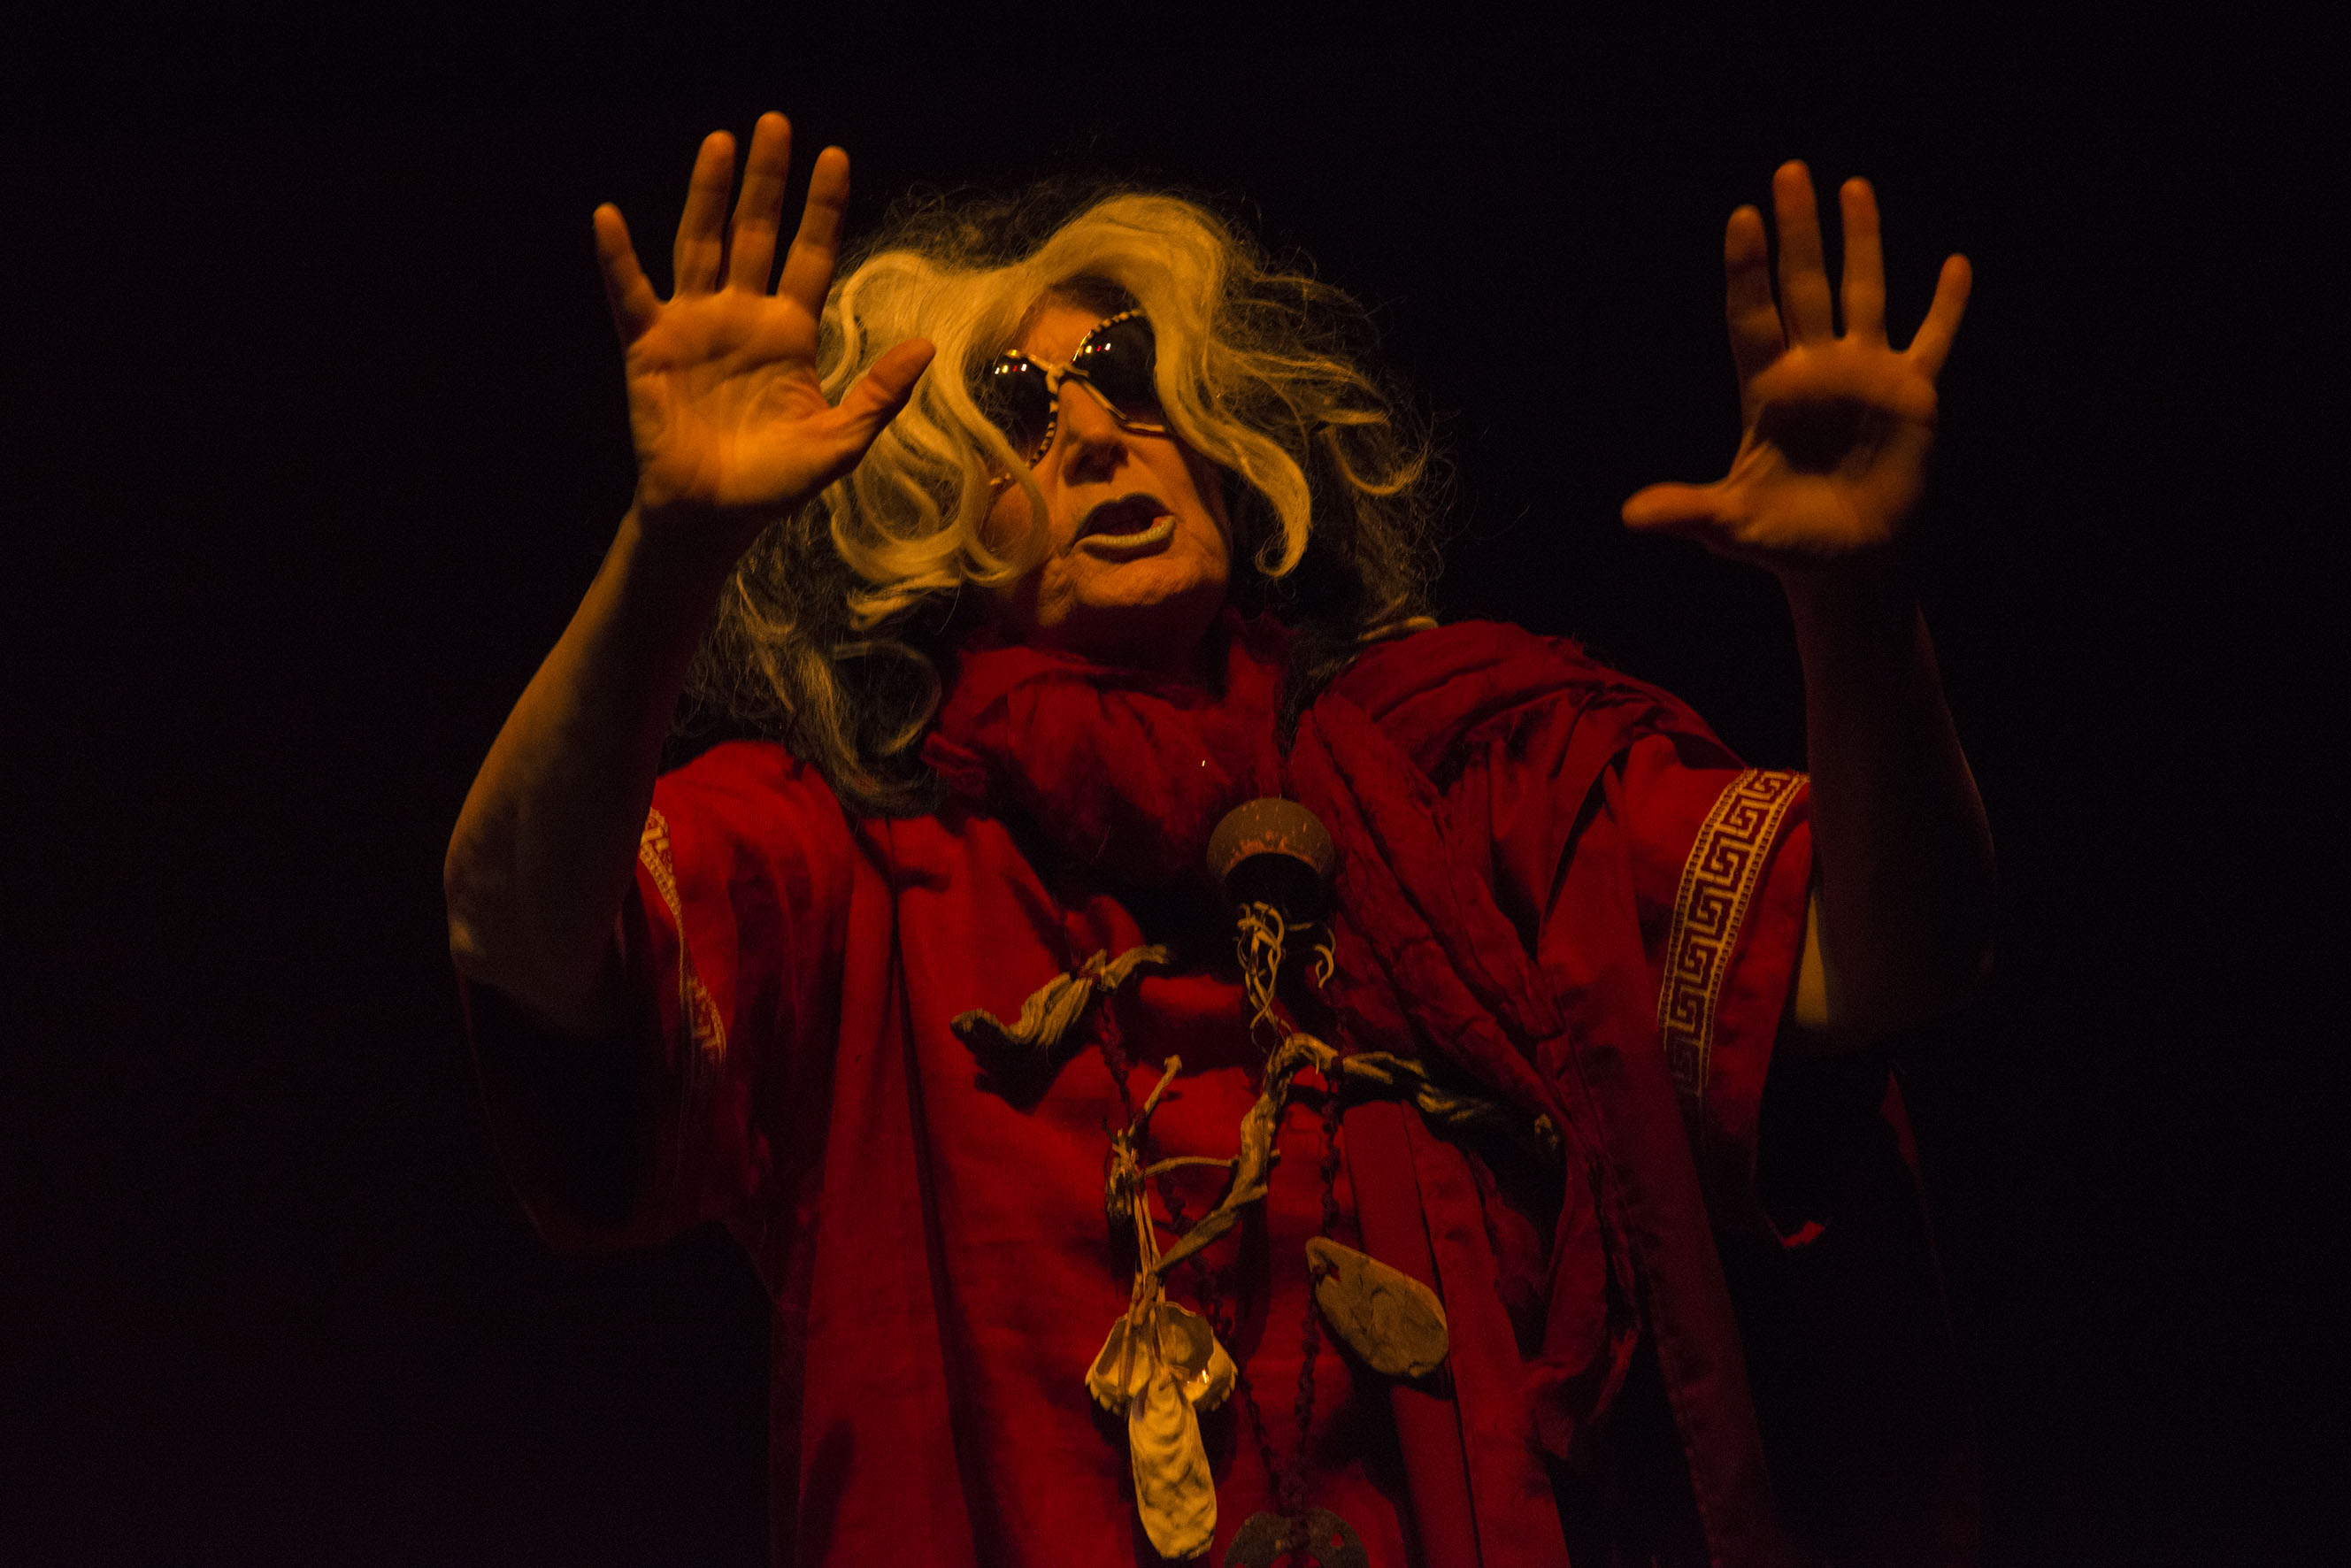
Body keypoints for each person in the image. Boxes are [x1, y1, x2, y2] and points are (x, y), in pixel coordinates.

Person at [444, 111, 1994, 1567]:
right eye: (1016, 409)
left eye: (1126, 372)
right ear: (930, 522)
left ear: (1217, 432)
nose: (1092, 433)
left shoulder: (1467, 773)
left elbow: (1886, 964)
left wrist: (1858, 605)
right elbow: (511, 928)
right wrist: (666, 554)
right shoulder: (856, 859)